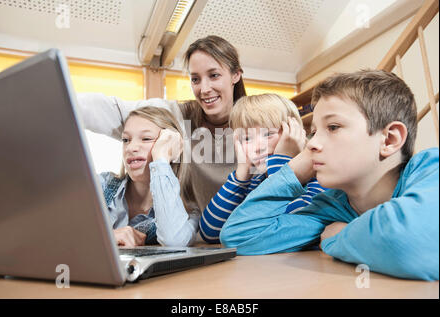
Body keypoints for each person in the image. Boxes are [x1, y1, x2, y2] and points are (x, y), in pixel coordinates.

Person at [220, 70, 439, 281]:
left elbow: (412, 242)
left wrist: (339, 237)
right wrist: (294, 171)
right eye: (314, 132)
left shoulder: (430, 169)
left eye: (333, 127)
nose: (312, 143)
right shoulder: (329, 208)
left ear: (389, 140)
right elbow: (239, 236)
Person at [78, 35, 246, 217]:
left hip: (246, 235)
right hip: (196, 237)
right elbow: (111, 111)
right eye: (195, 79)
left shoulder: (258, 122)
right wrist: (55, 102)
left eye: (214, 76)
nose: (204, 89)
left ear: (235, 74)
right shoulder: (178, 116)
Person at [199, 93, 326, 243]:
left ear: (294, 132)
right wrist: (241, 176)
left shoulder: (319, 178)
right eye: (246, 138)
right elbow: (210, 233)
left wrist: (282, 160)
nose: (257, 147)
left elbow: (281, 226)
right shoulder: (255, 182)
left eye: (269, 134)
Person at [100, 106, 199, 247]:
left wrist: (161, 159)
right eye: (126, 140)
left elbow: (174, 241)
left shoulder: (187, 213)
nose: (131, 147)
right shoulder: (101, 185)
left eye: (146, 138)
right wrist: (106, 238)